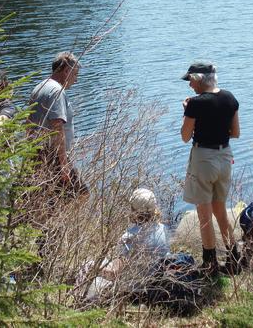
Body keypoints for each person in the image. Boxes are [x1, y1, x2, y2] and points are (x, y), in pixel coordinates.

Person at [180, 62, 240, 276]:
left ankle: (210, 265)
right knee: (220, 211)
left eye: (191, 80)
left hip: (203, 159)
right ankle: (234, 259)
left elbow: (185, 137)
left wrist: (187, 112)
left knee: (204, 215)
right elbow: (235, 132)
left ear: (199, 79)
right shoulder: (230, 98)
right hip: (224, 157)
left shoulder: (196, 104)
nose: (190, 86)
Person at [82, 187, 170, 301]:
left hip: (133, 292)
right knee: (105, 262)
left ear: (133, 209)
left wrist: (93, 270)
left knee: (88, 264)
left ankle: (79, 301)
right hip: (158, 286)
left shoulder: (130, 237)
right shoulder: (164, 229)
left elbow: (115, 274)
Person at [28, 51, 88, 198]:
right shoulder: (56, 91)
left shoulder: (40, 87)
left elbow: (28, 123)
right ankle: (71, 221)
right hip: (53, 156)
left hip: (37, 153)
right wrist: (63, 164)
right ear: (66, 71)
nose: (76, 80)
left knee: (49, 199)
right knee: (82, 195)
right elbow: (57, 127)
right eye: (75, 75)